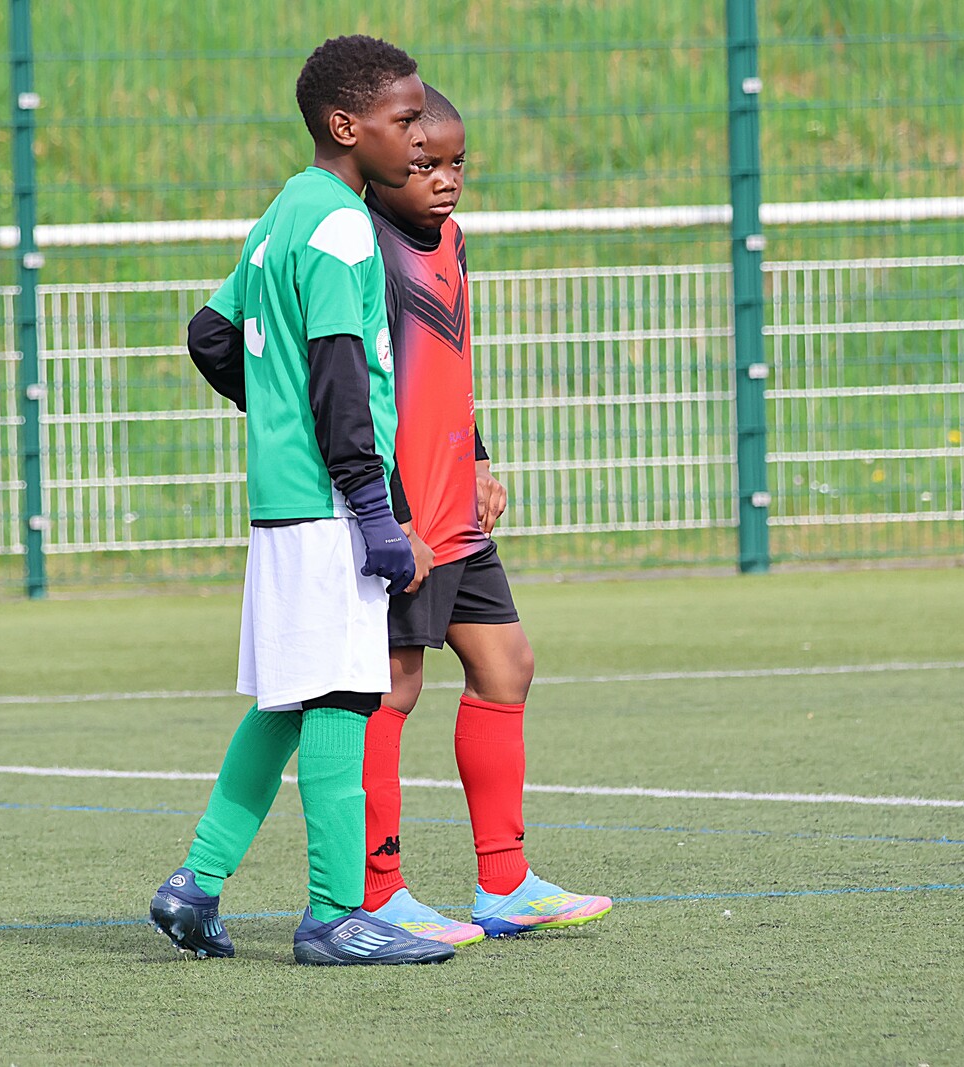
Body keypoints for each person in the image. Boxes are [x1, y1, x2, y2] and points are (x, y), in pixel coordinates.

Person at [149, 35, 452, 966]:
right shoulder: (344, 226)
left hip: (288, 497)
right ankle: (332, 914)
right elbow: (339, 369)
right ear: (346, 125)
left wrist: (275, 413)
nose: (419, 137)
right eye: (405, 120)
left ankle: (195, 884)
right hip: (330, 503)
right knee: (346, 697)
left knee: (289, 699)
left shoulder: (287, 208)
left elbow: (209, 333)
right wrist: (373, 507)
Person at [359, 86, 614, 943]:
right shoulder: (365, 249)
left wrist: (476, 456)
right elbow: (363, 390)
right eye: (423, 164)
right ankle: (378, 892)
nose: (443, 179)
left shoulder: (454, 240)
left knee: (508, 665)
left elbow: (446, 362)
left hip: (457, 506)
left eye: (455, 163)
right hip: (406, 516)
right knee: (392, 689)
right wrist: (391, 512)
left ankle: (505, 883)